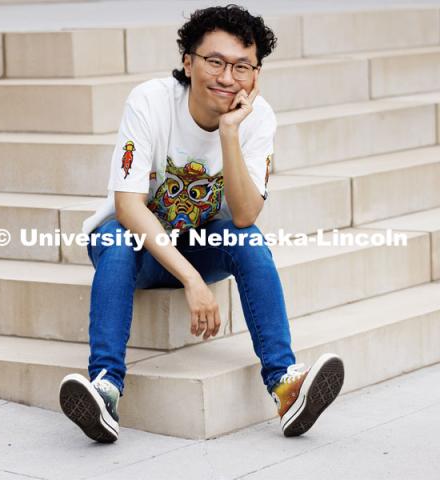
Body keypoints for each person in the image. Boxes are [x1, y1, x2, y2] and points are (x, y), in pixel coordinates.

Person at [59, 4, 344, 443]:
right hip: (136, 250)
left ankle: (286, 386)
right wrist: (192, 281)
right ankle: (105, 389)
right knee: (116, 236)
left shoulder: (257, 118)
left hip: (202, 245)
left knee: (246, 238)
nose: (227, 77)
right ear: (188, 62)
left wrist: (229, 131)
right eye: (215, 62)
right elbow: (130, 206)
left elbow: (246, 215)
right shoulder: (151, 102)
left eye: (242, 67)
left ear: (256, 74)